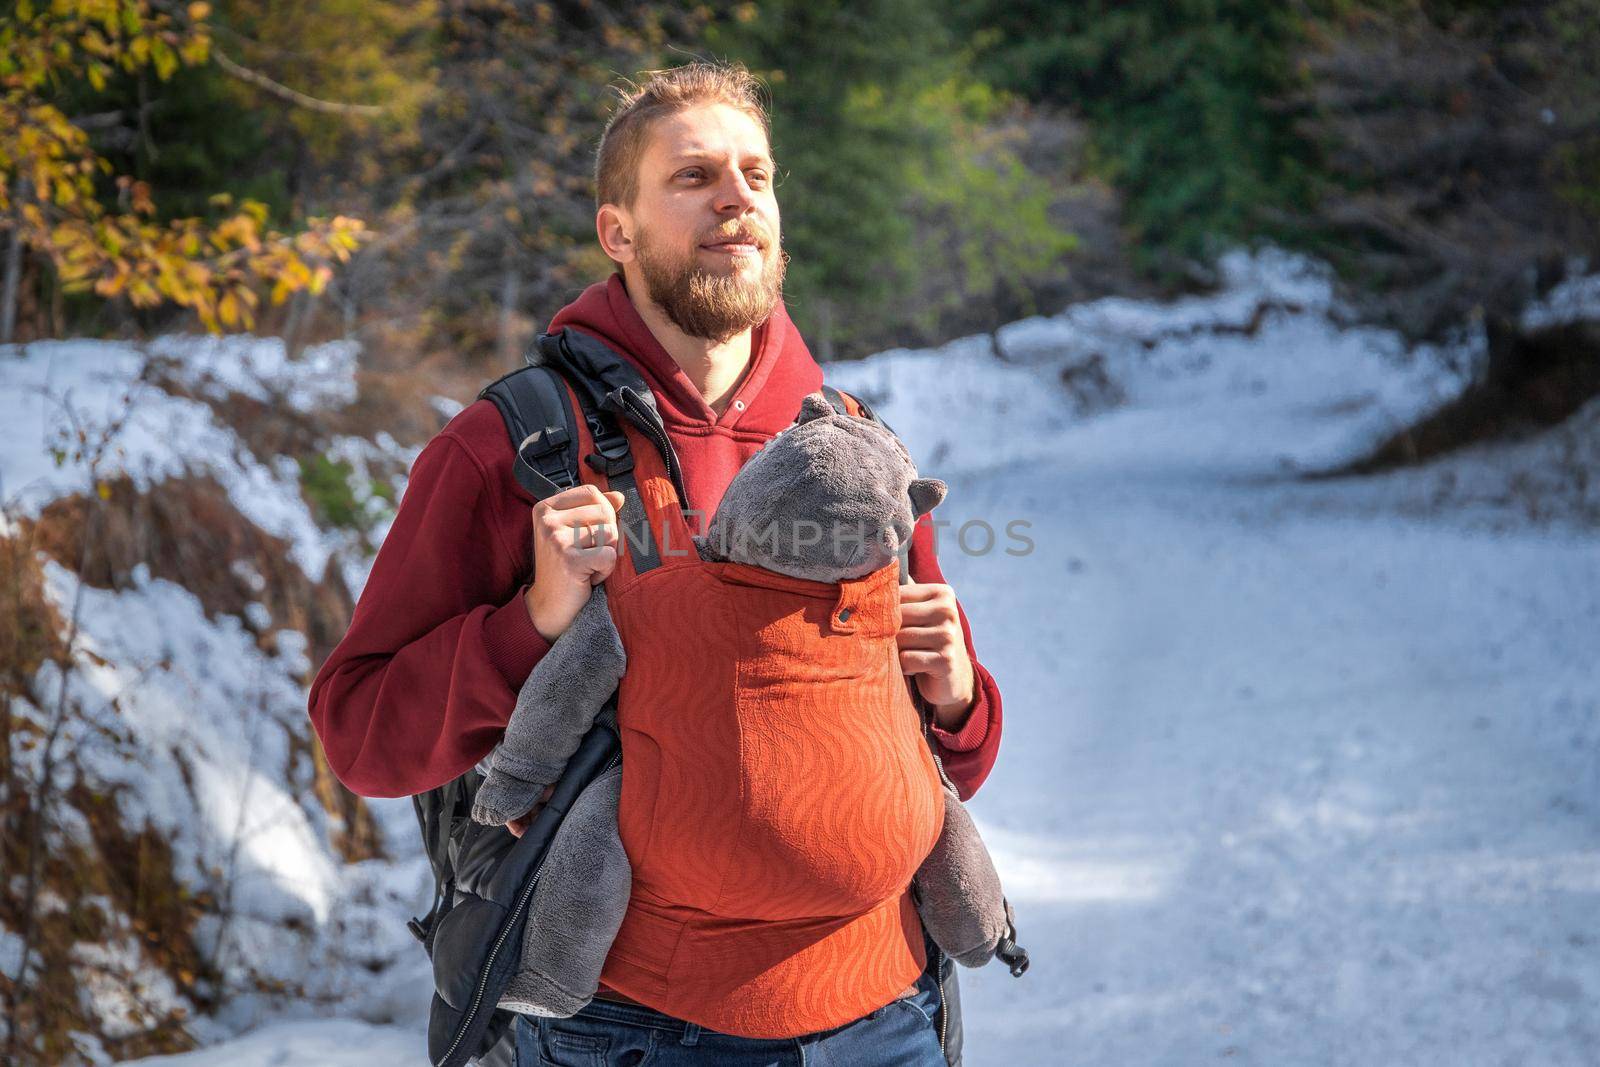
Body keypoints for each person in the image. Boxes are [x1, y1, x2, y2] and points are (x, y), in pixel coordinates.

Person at [307, 60, 1004, 1066]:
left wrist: (953, 696)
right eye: (692, 177)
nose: (736, 198)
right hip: (624, 1029)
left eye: (755, 175)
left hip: (883, 1012)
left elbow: (958, 757)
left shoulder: (851, 450)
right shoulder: (512, 446)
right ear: (617, 232)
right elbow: (362, 735)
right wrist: (534, 621)